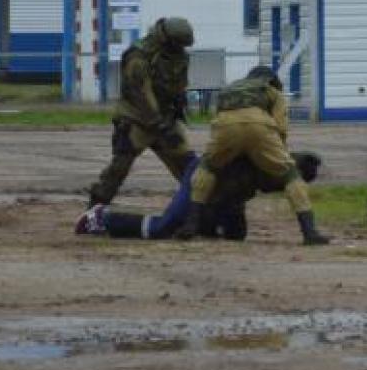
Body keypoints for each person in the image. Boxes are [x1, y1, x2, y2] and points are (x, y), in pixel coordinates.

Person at [182, 65, 330, 245]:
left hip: (225, 129)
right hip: (260, 127)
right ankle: (309, 232)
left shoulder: (229, 89)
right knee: (290, 174)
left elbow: (217, 123)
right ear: (271, 81)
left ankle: (191, 223)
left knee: (207, 167)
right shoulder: (272, 91)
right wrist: (276, 157)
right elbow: (281, 129)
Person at [75, 151, 324, 241]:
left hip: (228, 196)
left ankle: (201, 222)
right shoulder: (273, 159)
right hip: (203, 176)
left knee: (236, 235)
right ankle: (101, 218)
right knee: (164, 228)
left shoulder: (277, 162)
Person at [87, 16, 195, 206]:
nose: (180, 49)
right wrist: (159, 123)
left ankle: (204, 208)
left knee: (189, 166)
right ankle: (96, 207)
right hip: (136, 118)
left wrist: (177, 107)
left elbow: (179, 85)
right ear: (168, 39)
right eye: (177, 44)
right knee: (120, 166)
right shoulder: (139, 55)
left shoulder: (179, 55)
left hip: (165, 119)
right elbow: (140, 93)